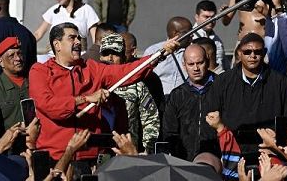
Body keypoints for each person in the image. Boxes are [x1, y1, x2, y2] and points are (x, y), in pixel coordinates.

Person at [28, 22, 179, 164]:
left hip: (89, 157)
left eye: (79, 38)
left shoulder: (91, 68)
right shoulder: (40, 71)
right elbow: (48, 105)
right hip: (53, 156)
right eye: (72, 38)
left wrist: (159, 55)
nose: (78, 42)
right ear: (57, 44)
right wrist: (85, 99)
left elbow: (126, 72)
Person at [206, 33, 287, 155]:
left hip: (269, 150)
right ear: (239, 53)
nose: (252, 56)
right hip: (232, 149)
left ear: (263, 53)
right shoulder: (223, 81)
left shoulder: (280, 82)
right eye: (247, 52)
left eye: (257, 52)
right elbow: (211, 117)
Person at [98, 33, 159, 153]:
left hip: (128, 151)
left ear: (123, 57)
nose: (110, 58)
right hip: (98, 151)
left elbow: (150, 119)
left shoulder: (137, 85)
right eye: (105, 54)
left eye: (115, 54)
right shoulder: (92, 82)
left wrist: (148, 149)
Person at [163, 44, 219, 160]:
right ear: (184, 65)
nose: (196, 68)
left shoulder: (222, 88)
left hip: (217, 160)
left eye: (200, 63)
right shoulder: (177, 95)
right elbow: (169, 132)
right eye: (191, 64)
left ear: (207, 62)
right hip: (185, 161)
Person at [0, 37, 28, 154]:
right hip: (6, 151)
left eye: (19, 54)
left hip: (31, 148)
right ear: (1, 62)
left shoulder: (34, 82)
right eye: (11, 56)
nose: (18, 58)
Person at [33, 0, 99, 48]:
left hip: (78, 55)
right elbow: (38, 34)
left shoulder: (86, 10)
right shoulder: (53, 10)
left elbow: (96, 39)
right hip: (54, 56)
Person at [143, 17, 192, 96]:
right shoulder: (153, 51)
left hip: (183, 102)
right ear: (175, 34)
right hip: (159, 101)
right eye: (188, 33)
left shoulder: (192, 52)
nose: (192, 35)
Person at [192, 0, 227, 70]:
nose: (210, 20)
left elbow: (223, 63)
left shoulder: (217, 39)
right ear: (196, 17)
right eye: (206, 17)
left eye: (213, 17)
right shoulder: (190, 38)